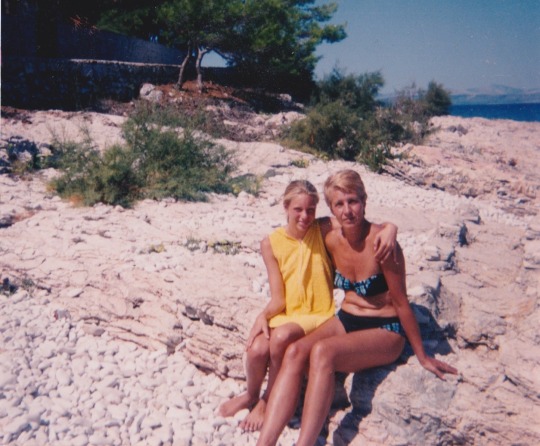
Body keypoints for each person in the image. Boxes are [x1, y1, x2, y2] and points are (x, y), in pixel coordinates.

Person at [256, 170, 458, 446]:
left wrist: (422, 356)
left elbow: (401, 302)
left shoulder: (382, 244)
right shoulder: (329, 235)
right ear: (331, 209)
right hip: (347, 319)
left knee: (323, 352)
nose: (347, 210)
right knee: (294, 352)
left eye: (353, 201)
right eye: (339, 204)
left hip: (385, 329)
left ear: (364, 201)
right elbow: (295, 228)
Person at [218, 179, 398, 431]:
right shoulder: (270, 243)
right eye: (298, 209)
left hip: (318, 313)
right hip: (289, 312)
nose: (305, 216)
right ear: (286, 207)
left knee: (281, 337)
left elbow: (358, 221)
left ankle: (268, 399)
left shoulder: (322, 229)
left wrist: (391, 227)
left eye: (310, 210)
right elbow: (278, 298)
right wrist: (263, 315)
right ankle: (251, 394)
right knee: (257, 349)